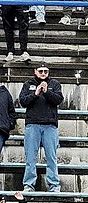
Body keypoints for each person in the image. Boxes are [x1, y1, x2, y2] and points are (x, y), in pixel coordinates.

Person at [19, 63, 63, 193]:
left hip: (50, 125)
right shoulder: (28, 84)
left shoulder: (54, 84)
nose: (43, 73)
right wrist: (36, 93)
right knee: (30, 157)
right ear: (35, 71)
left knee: (51, 157)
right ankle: (28, 185)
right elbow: (23, 101)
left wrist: (47, 91)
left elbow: (58, 99)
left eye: (45, 71)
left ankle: (54, 185)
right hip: (33, 124)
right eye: (41, 71)